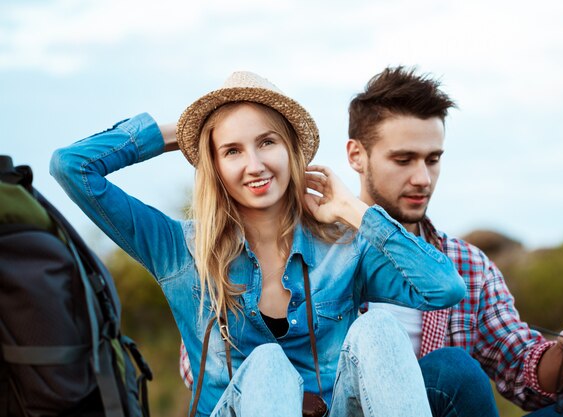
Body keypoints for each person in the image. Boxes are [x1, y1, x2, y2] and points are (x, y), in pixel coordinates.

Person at [50, 71, 466, 417]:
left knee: (378, 327)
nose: (255, 165)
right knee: (268, 364)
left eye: (267, 142)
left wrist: (355, 211)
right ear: (214, 164)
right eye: (232, 150)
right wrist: (187, 130)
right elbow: (71, 167)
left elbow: (444, 288)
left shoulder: (344, 248)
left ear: (291, 151)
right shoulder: (178, 249)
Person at [345, 66, 563, 417]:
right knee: (453, 369)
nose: (422, 178)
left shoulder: (466, 263)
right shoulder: (319, 255)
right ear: (356, 155)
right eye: (403, 160)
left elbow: (521, 369)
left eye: (433, 159)